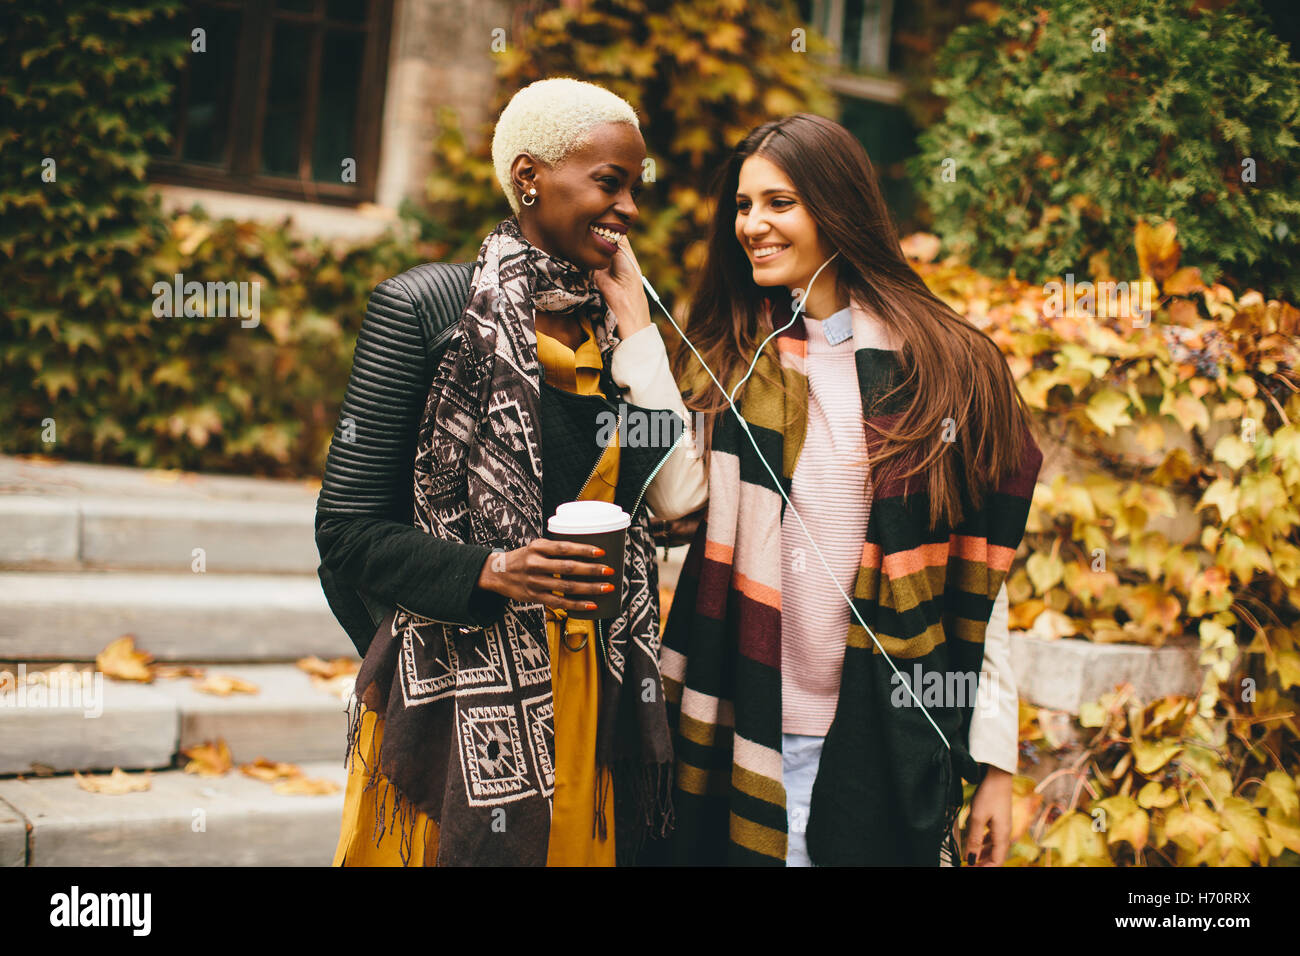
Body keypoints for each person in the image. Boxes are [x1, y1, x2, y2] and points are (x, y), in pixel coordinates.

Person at [316, 77, 706, 866]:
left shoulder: (615, 334)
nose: (630, 207)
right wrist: (493, 574)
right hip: (458, 694)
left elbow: (677, 499)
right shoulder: (426, 309)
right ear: (529, 177)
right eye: (610, 182)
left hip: (596, 693)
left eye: (636, 186)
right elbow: (347, 533)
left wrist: (640, 335)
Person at [655, 114, 1043, 866]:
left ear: (838, 208)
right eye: (743, 205)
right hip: (742, 729)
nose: (753, 225)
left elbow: (980, 587)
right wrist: (640, 325)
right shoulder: (733, 358)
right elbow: (673, 500)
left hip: (884, 736)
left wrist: (995, 761)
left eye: (780, 203)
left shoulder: (949, 367)